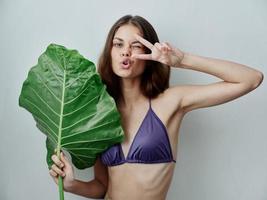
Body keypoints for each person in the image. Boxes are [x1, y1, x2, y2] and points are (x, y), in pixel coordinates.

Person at [49, 15, 263, 200]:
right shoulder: (99, 113)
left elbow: (250, 79)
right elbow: (101, 186)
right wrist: (71, 185)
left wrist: (183, 60)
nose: (126, 52)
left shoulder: (171, 102)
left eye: (135, 46)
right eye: (118, 44)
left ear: (149, 52)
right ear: (110, 52)